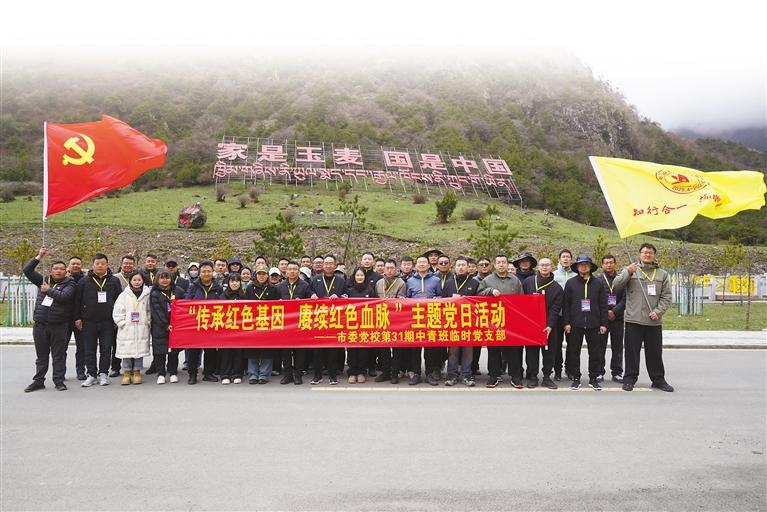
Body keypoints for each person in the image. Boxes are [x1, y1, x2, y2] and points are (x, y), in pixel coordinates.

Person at [612, 243, 674, 392]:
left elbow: (666, 297)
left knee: (654, 353)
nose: (647, 255)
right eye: (645, 252)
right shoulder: (631, 270)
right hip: (633, 319)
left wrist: (658, 312)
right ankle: (629, 379)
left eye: (650, 253)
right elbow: (616, 285)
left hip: (653, 321)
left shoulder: (662, 274)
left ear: (654, 255)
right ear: (639, 254)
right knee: (631, 353)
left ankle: (658, 380)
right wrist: (628, 271)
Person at [23, 247, 76, 392]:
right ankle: (38, 381)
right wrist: (39, 256)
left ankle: (59, 381)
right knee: (41, 356)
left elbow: (64, 297)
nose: (58, 271)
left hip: (59, 326)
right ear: (50, 271)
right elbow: (27, 270)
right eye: (56, 269)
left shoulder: (70, 284)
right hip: (40, 325)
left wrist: (48, 290)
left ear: (66, 271)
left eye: (62, 269)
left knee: (58, 356)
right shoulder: (43, 281)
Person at [74, 253, 122, 387]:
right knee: (89, 349)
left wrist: (117, 319)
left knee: (106, 349)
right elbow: (77, 301)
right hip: (89, 321)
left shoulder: (114, 280)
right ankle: (91, 374)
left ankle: (103, 374)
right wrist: (77, 318)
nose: (100, 266)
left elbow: (119, 301)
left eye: (103, 263)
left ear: (107, 265)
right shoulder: (84, 281)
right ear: (93, 265)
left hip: (108, 321)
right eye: (97, 263)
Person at [563, 255, 608, 390]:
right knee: (574, 352)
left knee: (594, 353)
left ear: (590, 267)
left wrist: (603, 323)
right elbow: (566, 305)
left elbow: (603, 305)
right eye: (581, 264)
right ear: (577, 267)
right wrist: (566, 323)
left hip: (594, 324)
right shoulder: (571, 283)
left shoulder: (598, 283)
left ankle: (593, 378)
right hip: (575, 324)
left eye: (586, 264)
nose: (583, 267)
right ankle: (576, 377)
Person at [479, 254, 524, 388]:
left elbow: (522, 299)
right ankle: (493, 376)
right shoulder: (487, 280)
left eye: (503, 262)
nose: (501, 265)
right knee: (493, 350)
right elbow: (478, 294)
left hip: (511, 320)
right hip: (493, 320)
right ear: (494, 264)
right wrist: (490, 291)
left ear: (507, 264)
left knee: (512, 350)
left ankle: (515, 376)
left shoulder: (515, 280)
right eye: (498, 262)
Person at [521, 257, 563, 389]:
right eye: (542, 265)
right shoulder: (528, 282)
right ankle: (533, 377)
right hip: (531, 324)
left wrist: (550, 325)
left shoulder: (557, 287)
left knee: (549, 352)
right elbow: (521, 302)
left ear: (552, 267)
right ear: (538, 267)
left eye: (547, 265)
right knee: (531, 352)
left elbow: (556, 309)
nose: (545, 267)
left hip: (549, 326)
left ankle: (547, 377)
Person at [441, 256, 480, 387]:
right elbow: (442, 303)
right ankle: (452, 375)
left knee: (468, 352)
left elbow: (479, 303)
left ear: (468, 267)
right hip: (452, 323)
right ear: (454, 267)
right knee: (453, 351)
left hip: (469, 323)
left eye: (463, 265)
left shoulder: (474, 283)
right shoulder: (448, 283)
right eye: (458, 265)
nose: (461, 268)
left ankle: (467, 376)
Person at [405, 256, 443, 385]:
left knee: (430, 349)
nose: (421, 264)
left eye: (424, 262)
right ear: (416, 265)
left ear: (428, 265)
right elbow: (407, 298)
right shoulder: (410, 281)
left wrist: (438, 299)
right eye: (419, 262)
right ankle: (416, 374)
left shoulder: (436, 280)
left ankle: (429, 374)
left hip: (431, 318)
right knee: (415, 349)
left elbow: (441, 296)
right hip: (415, 319)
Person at [184, 261, 223, 384]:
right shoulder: (193, 286)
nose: (206, 274)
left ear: (213, 272)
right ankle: (192, 374)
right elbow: (186, 304)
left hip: (212, 323)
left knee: (210, 350)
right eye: (204, 271)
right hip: (195, 323)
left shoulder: (218, 287)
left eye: (209, 271)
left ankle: (208, 373)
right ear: (199, 273)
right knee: (193, 351)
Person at [309, 255, 346, 385]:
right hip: (319, 318)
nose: (328, 266)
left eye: (331, 263)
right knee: (317, 349)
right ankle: (317, 375)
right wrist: (312, 295)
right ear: (323, 265)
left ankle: (332, 375)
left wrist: (340, 296)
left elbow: (347, 295)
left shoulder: (340, 280)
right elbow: (309, 293)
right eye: (326, 263)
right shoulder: (315, 279)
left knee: (333, 349)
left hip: (335, 318)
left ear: (335, 266)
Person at [276, 261, 312, 385]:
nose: (292, 271)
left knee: (299, 351)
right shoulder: (279, 286)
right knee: (285, 351)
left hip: (299, 323)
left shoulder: (305, 285)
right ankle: (287, 375)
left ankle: (298, 375)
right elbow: (272, 303)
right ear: (286, 271)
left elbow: (312, 302)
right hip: (284, 324)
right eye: (290, 269)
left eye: (295, 269)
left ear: (298, 271)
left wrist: (306, 300)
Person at [113, 272, 151, 385]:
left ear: (143, 281)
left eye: (139, 280)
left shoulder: (146, 294)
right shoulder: (123, 295)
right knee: (127, 351)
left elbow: (149, 310)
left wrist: (148, 322)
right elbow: (117, 310)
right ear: (130, 281)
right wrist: (122, 323)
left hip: (141, 327)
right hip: (127, 328)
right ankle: (126, 373)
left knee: (139, 351)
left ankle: (137, 372)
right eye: (134, 280)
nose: (137, 282)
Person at [246, 265, 280, 384]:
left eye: (264, 274)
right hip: (253, 322)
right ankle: (253, 374)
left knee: (267, 349)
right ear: (256, 275)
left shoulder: (273, 289)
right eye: (259, 274)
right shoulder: (250, 288)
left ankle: (264, 374)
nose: (261, 276)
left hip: (268, 323)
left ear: (267, 275)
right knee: (252, 349)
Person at [374, 258, 407, 383]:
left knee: (397, 349)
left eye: (392, 268)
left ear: (396, 269)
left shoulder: (401, 283)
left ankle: (394, 373)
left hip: (396, 320)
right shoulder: (379, 283)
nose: (389, 270)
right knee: (383, 348)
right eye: (387, 268)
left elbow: (401, 301)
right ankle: (385, 372)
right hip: (382, 318)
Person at [345, 267, 376, 384]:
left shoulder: (370, 290)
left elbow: (375, 306)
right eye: (357, 275)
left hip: (365, 324)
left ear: (365, 277)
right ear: (354, 277)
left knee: (363, 350)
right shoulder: (349, 290)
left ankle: (362, 372)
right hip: (351, 324)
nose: (359, 277)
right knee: (352, 349)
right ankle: (352, 372)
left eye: (361, 275)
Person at [598, 254, 626, 383]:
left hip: (617, 318)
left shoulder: (622, 280)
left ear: (615, 264)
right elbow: (596, 299)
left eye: (611, 262)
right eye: (606, 263)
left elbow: (626, 298)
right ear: (602, 265)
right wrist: (606, 312)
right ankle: (599, 372)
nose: (609, 265)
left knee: (618, 347)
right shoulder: (597, 280)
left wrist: (614, 311)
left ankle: (617, 372)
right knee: (600, 346)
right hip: (602, 319)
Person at [149, 270, 180, 384]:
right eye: (162, 278)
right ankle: (161, 373)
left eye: (167, 277)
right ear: (157, 280)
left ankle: (173, 373)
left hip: (175, 327)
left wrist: (177, 323)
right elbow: (156, 311)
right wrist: (166, 325)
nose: (165, 280)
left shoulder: (177, 291)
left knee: (174, 352)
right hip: (160, 327)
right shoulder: (154, 293)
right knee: (159, 352)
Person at [552, 249, 576, 380]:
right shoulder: (554, 275)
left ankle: (569, 369)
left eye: (568, 257)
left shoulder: (576, 275)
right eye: (563, 257)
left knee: (572, 344)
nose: (566, 259)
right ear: (559, 259)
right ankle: (557, 370)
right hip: (557, 315)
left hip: (572, 316)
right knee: (556, 344)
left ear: (571, 260)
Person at [219, 273, 246, 384]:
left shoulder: (244, 296)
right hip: (226, 329)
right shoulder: (222, 296)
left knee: (238, 352)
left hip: (240, 329)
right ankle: (225, 374)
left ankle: (237, 374)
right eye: (232, 281)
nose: (235, 283)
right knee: (225, 352)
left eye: (237, 281)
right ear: (228, 283)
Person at [65, 256, 86, 380]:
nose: (76, 266)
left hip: (80, 318)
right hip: (65, 319)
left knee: (82, 347)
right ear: (69, 265)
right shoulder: (63, 279)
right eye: (73, 264)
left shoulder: (85, 280)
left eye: (78, 264)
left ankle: (81, 371)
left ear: (81, 266)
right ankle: (60, 372)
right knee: (62, 348)